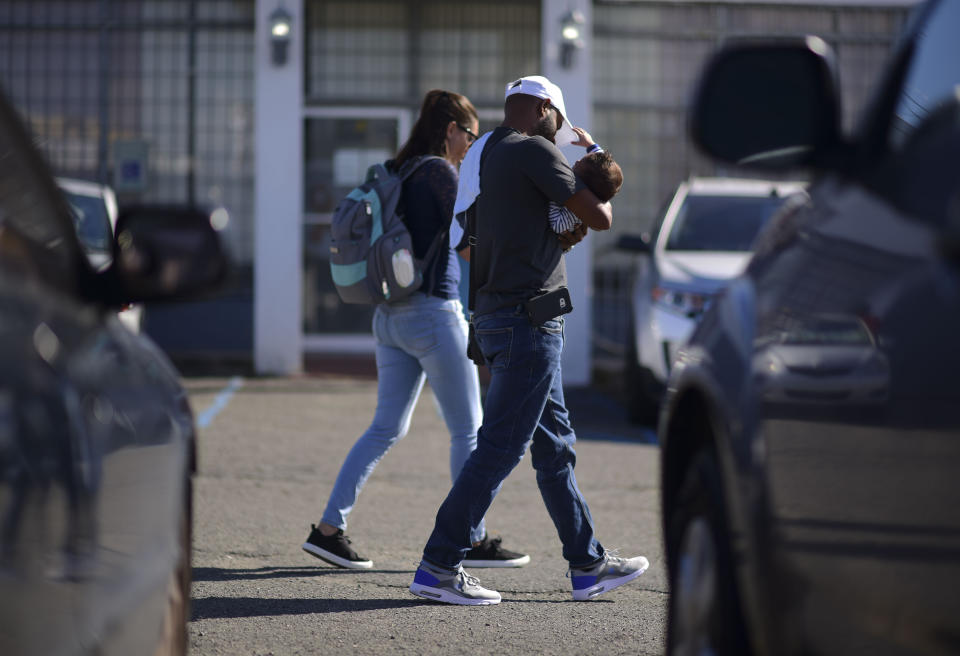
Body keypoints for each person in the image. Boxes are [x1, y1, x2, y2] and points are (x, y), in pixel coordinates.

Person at [409, 76, 649, 605]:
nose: (560, 134)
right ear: (546, 110)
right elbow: (601, 215)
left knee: (554, 449)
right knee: (501, 447)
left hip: (498, 317)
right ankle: (439, 564)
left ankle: (587, 565)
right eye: (559, 123)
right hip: (529, 323)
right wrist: (593, 152)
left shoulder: (485, 155)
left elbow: (466, 249)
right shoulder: (535, 151)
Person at [302, 89, 529, 570]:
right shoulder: (440, 173)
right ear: (450, 130)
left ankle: (328, 529)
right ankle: (472, 538)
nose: (470, 144)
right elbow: (472, 236)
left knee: (385, 427)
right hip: (432, 314)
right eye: (468, 134)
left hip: (389, 317)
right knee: (469, 432)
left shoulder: (400, 172)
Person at [546, 128, 623, 234]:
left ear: (582, 184)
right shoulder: (595, 180)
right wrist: (590, 144)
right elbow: (600, 158)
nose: (577, 161)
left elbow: (557, 225)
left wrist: (553, 194)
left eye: (579, 164)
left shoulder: (576, 210)